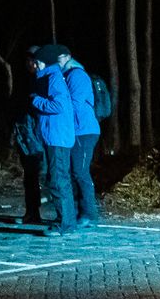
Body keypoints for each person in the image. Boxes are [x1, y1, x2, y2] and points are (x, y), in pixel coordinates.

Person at [32, 44, 76, 237]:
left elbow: (58, 105)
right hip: (57, 137)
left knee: (58, 180)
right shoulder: (52, 77)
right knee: (57, 178)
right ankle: (66, 220)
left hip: (58, 138)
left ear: (45, 62)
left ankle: (65, 223)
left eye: (38, 62)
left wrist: (35, 100)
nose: (35, 65)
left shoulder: (53, 79)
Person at [56, 46, 102, 228]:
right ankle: (81, 212)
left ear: (68, 57)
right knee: (75, 172)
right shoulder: (66, 75)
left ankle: (89, 214)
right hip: (75, 130)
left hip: (84, 130)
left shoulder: (77, 75)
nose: (57, 62)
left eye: (60, 58)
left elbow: (74, 103)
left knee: (80, 172)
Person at [11, 47, 45, 225]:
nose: (29, 64)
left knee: (43, 174)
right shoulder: (25, 80)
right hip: (26, 134)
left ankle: (62, 215)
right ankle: (32, 212)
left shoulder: (42, 80)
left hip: (37, 135)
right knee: (30, 175)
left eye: (31, 61)